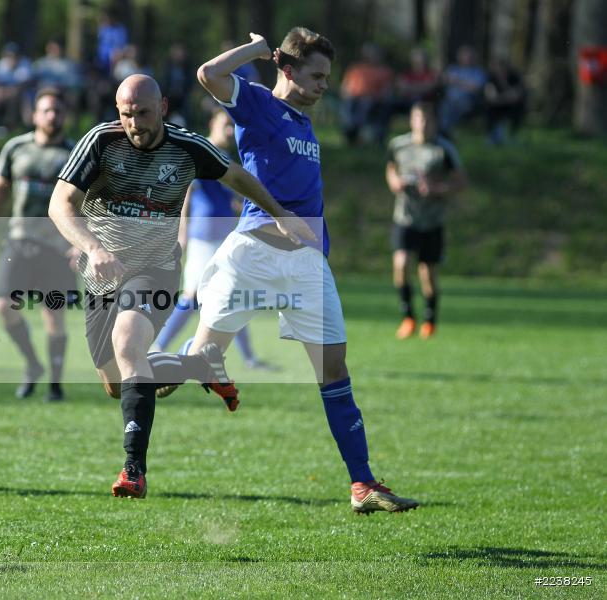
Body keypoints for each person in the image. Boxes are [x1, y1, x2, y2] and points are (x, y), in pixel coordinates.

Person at [48, 74, 314, 499]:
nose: (134, 123)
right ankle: (197, 365)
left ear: (163, 108)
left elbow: (236, 176)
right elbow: (60, 203)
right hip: (103, 273)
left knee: (128, 345)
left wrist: (279, 214)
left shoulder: (187, 147)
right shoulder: (100, 141)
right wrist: (92, 247)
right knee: (116, 383)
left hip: (155, 269)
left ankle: (133, 470)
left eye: (143, 113)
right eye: (126, 114)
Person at [195, 29, 420, 513]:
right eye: (316, 75)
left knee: (335, 370)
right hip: (257, 251)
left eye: (327, 77)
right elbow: (209, 74)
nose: (324, 85)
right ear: (288, 69)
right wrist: (256, 50)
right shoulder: (257, 103)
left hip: (306, 264)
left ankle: (363, 485)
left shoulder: (303, 123)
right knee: (196, 360)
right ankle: (134, 395)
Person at [152, 107, 276, 373]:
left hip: (225, 235)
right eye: (225, 125)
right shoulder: (201, 152)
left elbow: (231, 196)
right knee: (193, 295)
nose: (230, 131)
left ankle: (250, 358)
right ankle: (158, 347)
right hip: (203, 235)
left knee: (233, 294)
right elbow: (184, 194)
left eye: (233, 126)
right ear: (212, 123)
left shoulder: (225, 157)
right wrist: (181, 233)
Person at [0, 88, 76, 402]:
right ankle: (32, 363)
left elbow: (90, 200)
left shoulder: (75, 153)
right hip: (19, 240)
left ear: (65, 116)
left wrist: (81, 243)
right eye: (46, 110)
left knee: (53, 314)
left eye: (57, 111)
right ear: (34, 115)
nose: (52, 116)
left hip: (57, 245)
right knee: (4, 306)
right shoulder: (16, 148)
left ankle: (55, 385)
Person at [385, 102, 467, 340]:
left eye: (428, 120)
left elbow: (461, 182)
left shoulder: (444, 150)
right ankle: (408, 317)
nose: (423, 124)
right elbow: (390, 168)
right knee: (401, 263)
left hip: (432, 220)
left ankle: (430, 320)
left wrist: (436, 189)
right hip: (405, 216)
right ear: (412, 121)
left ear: (435, 122)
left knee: (427, 273)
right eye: (419, 119)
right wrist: (394, 182)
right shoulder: (398, 145)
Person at [339, 42, 394, 146]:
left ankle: (356, 130)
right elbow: (345, 87)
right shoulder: (355, 69)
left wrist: (374, 96)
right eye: (368, 53)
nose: (370, 56)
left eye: (373, 54)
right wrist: (347, 94)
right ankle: (350, 130)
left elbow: (386, 91)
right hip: (353, 99)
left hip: (373, 100)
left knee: (365, 103)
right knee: (348, 104)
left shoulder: (383, 71)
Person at [438, 45, 487, 137]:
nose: (465, 58)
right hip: (449, 100)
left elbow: (477, 87)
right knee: (445, 106)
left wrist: (457, 81)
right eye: (463, 55)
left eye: (468, 55)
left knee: (457, 106)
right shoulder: (453, 68)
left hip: (469, 101)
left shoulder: (478, 71)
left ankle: (448, 131)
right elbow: (443, 81)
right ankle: (444, 131)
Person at [483, 56, 525, 145]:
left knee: (519, 107)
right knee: (489, 108)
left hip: (511, 106)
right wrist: (507, 97)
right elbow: (490, 97)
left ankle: (512, 135)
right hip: (496, 107)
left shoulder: (514, 77)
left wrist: (501, 95)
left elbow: (517, 96)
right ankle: (491, 136)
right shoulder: (490, 78)